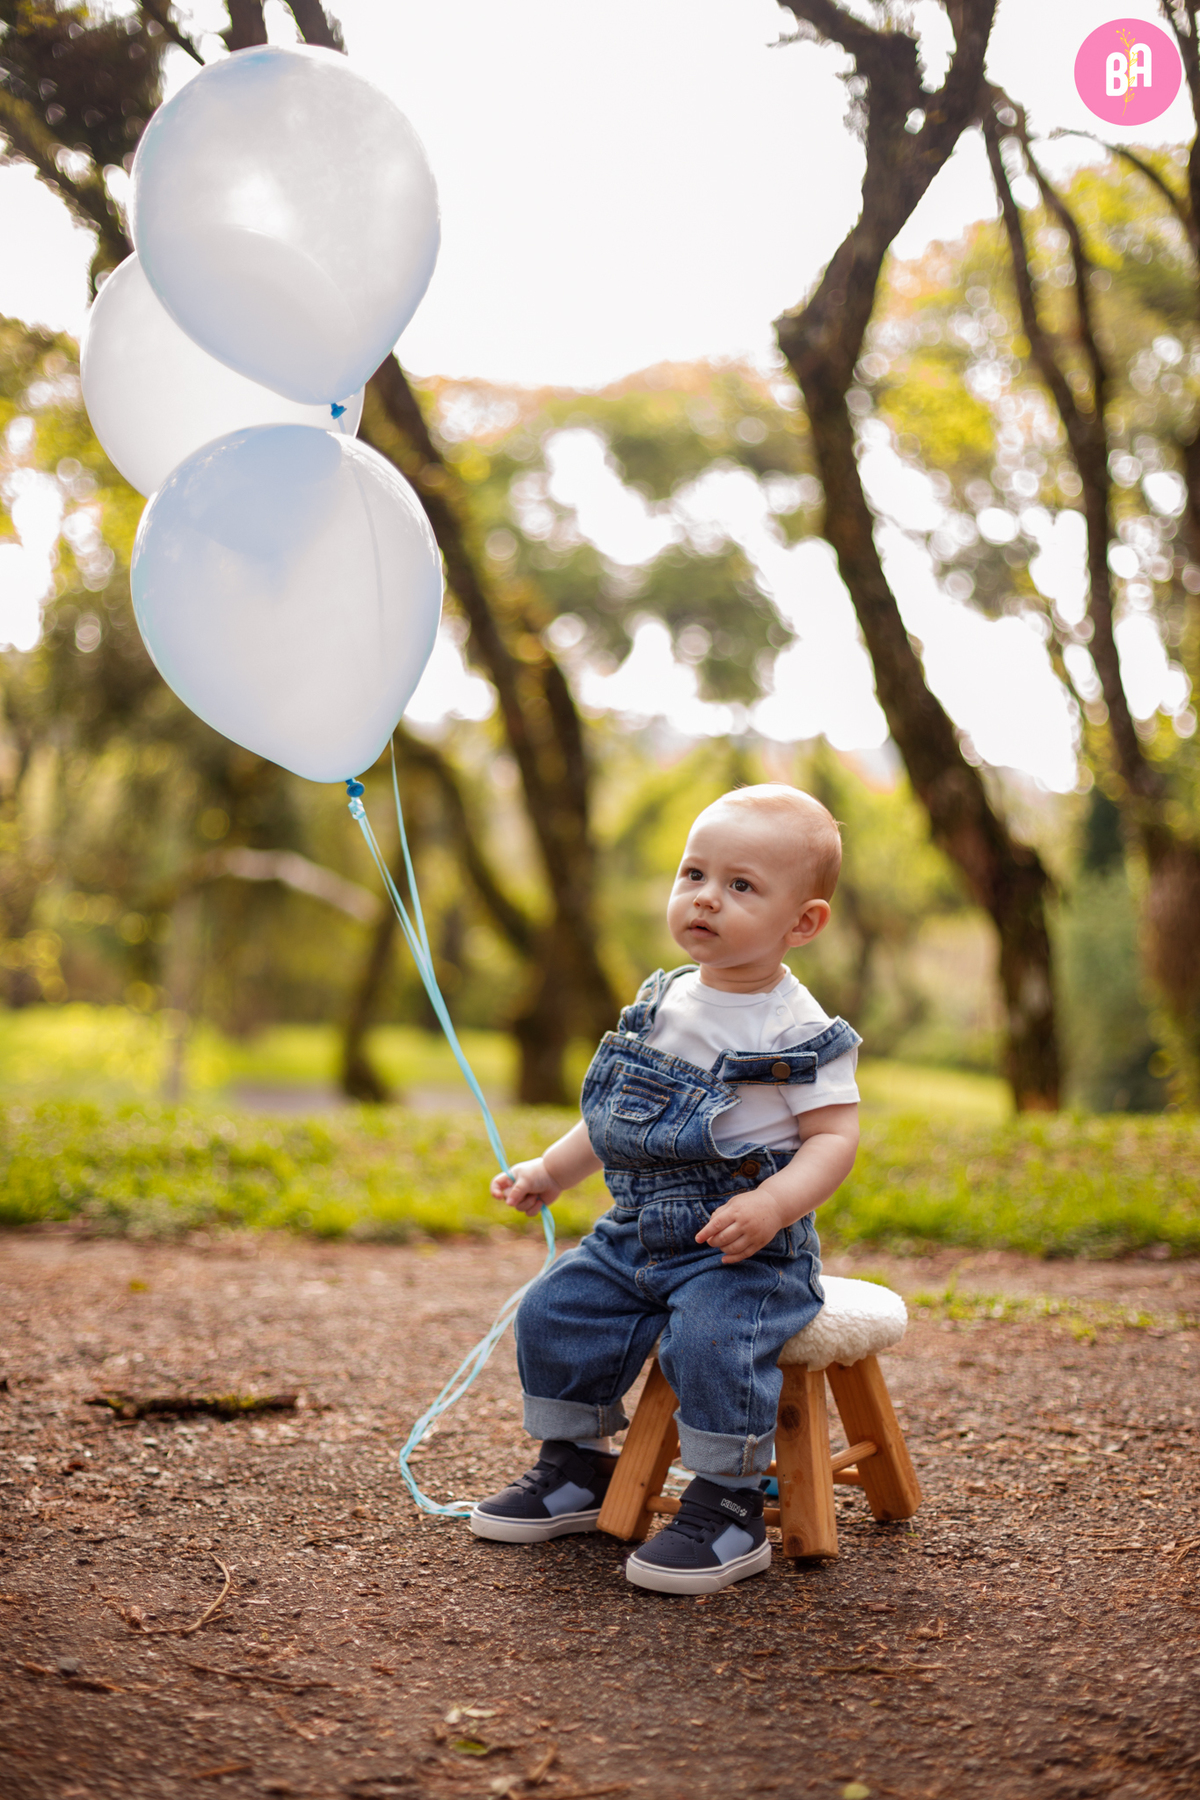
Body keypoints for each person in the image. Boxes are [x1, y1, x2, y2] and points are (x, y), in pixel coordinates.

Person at [470, 784, 860, 1595]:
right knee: (555, 1310)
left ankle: (729, 1506)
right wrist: (548, 1172)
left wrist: (774, 1204)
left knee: (712, 1343)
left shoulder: (796, 1029)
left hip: (743, 1249)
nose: (706, 898)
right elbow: (613, 1120)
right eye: (693, 874)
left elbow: (834, 1141)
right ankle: (576, 1468)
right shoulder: (662, 1002)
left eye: (741, 886)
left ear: (803, 923)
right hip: (636, 1229)